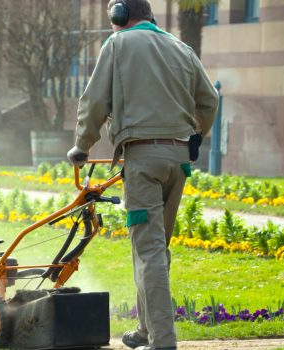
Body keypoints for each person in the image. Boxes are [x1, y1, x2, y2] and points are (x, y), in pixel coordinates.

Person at [66, 1, 219, 349]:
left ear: (119, 16)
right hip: (178, 161)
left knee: (148, 251)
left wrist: (82, 146)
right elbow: (209, 100)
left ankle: (163, 340)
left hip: (142, 160)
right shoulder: (182, 47)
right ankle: (146, 330)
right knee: (155, 249)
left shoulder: (117, 44)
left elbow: (94, 102)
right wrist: (195, 136)